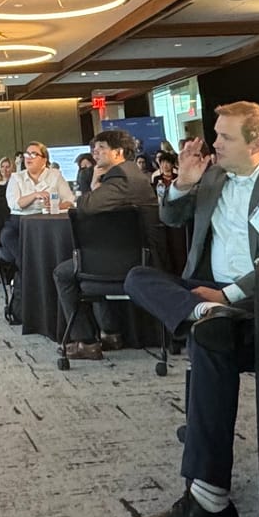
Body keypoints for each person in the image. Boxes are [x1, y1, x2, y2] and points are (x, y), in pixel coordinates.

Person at [126, 103, 259, 517]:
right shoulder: (212, 176)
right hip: (204, 294)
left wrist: (228, 296)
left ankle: (207, 501)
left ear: (258, 144)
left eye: (225, 137)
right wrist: (182, 183)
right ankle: (199, 313)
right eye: (216, 135)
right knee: (136, 277)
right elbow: (170, 219)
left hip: (257, 302)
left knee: (211, 336)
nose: (214, 144)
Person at [58, 128, 153, 360]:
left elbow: (86, 206)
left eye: (101, 148)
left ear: (118, 152)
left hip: (129, 261)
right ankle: (110, 333)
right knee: (93, 261)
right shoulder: (133, 174)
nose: (95, 152)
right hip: (135, 253)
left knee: (64, 273)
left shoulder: (120, 178)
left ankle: (86, 341)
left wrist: (92, 183)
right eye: (94, 148)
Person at [0, 142, 73, 266]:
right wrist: (34, 195)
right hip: (20, 223)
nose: (28, 157)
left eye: (33, 154)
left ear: (44, 159)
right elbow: (14, 204)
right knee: (8, 237)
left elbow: (69, 200)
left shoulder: (55, 175)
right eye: (27, 154)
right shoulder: (16, 177)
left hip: (48, 222)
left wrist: (55, 206)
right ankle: (28, 273)